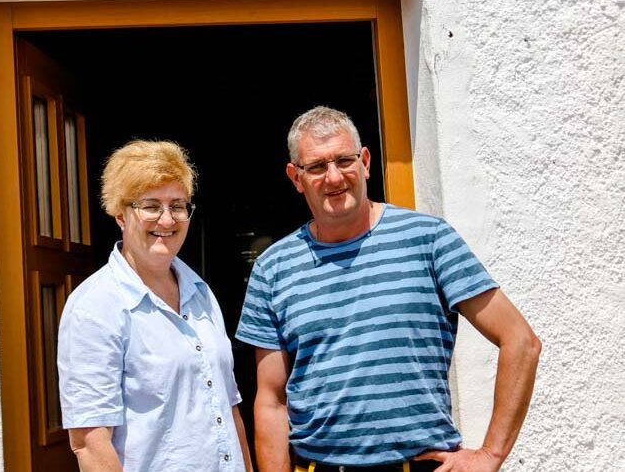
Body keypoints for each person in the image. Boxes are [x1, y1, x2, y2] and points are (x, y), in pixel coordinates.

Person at [237, 107, 541, 472]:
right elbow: (271, 401)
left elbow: (520, 341)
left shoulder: (429, 240)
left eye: (344, 160)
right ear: (296, 177)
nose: (333, 177)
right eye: (316, 167)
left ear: (365, 161)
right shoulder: (274, 268)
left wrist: (490, 454)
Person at [57, 139, 253, 472]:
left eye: (178, 205)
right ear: (120, 213)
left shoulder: (201, 293)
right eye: (151, 206)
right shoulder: (95, 307)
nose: (166, 220)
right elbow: (89, 442)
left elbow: (228, 408)